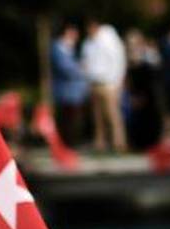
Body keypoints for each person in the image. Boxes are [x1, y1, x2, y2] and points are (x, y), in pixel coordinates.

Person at [81, 19, 127, 153]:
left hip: (109, 83)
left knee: (112, 115)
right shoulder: (88, 43)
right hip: (94, 82)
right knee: (97, 116)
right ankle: (100, 143)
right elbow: (86, 62)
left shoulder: (109, 40)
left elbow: (118, 61)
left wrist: (117, 81)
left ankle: (119, 143)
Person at [49, 22, 89, 147]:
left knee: (74, 118)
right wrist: (80, 69)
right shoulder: (58, 48)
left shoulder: (69, 48)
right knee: (67, 119)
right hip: (65, 92)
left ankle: (72, 142)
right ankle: (67, 144)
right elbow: (65, 68)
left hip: (74, 92)